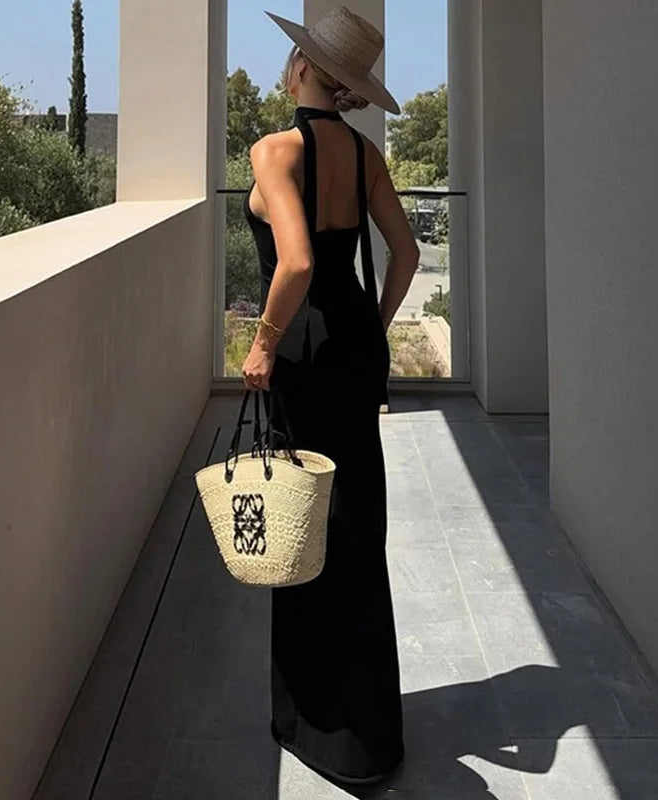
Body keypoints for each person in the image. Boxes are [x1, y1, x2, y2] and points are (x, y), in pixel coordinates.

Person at [241, 5, 420, 786]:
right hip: (353, 343)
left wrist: (263, 341)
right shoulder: (367, 153)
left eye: (294, 56)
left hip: (307, 351)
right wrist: (373, 328)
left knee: (301, 522)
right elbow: (406, 254)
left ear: (305, 69)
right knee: (356, 521)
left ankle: (314, 721)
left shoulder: (274, 150)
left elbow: (297, 265)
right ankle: (372, 733)